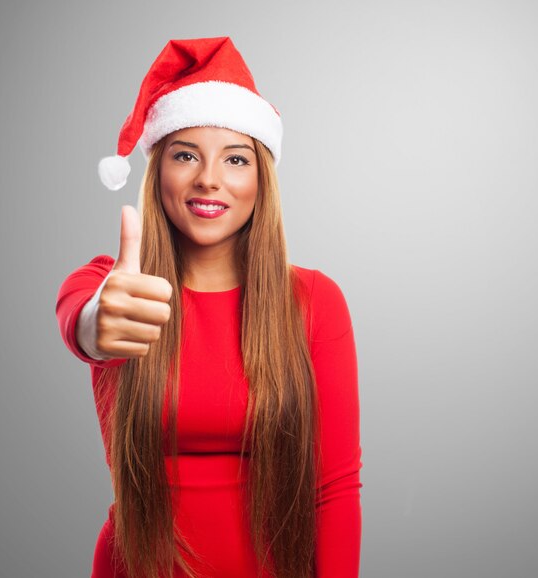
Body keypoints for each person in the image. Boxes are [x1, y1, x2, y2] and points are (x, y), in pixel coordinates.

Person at [55, 37, 362, 578]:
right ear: (160, 173)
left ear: (260, 179)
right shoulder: (116, 287)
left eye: (236, 158)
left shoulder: (313, 301)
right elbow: (83, 318)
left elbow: (334, 490)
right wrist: (95, 326)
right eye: (185, 154)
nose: (209, 179)